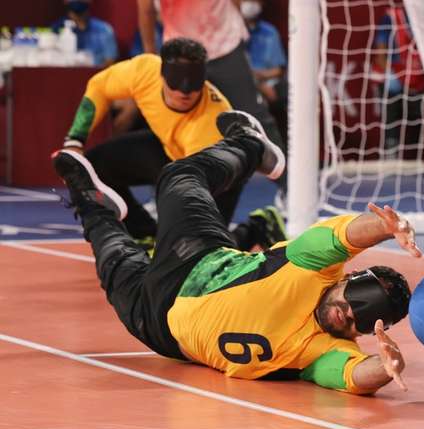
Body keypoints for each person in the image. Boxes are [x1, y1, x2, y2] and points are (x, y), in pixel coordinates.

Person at [52, 110, 420, 394]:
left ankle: (90, 201)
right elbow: (345, 236)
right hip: (196, 259)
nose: (346, 313)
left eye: (362, 319)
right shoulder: (313, 267)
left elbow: (354, 376)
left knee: (112, 253)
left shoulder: (323, 350)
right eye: (355, 297)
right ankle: (249, 144)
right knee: (178, 177)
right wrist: (387, 226)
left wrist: (388, 368)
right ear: (348, 278)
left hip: (160, 329)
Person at [62, 37, 285, 252]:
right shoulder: (144, 71)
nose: (184, 91)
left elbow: (191, 188)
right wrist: (74, 141)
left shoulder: (211, 120)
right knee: (90, 168)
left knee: (194, 255)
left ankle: (257, 227)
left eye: (193, 83)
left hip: (217, 177)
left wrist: (173, 239)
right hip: (169, 149)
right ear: (162, 74)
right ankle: (144, 233)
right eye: (176, 81)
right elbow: (99, 86)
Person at [137, 0, 288, 206]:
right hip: (182, 53)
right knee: (169, 127)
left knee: (256, 119)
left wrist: (237, 26)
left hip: (225, 46)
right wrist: (151, 57)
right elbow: (146, 9)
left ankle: (290, 190)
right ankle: (164, 199)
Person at [373, 5, 424, 157]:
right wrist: (403, 77)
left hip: (422, 77)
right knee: (390, 84)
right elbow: (380, 56)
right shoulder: (391, 17)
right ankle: (391, 146)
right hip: (397, 74)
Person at [242, 0, 288, 142]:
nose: (249, 3)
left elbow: (279, 69)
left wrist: (259, 77)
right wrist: (257, 83)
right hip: (243, 84)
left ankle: (277, 145)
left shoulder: (269, 32)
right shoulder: (230, 32)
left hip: (266, 85)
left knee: (281, 92)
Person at [52, 0, 118, 66]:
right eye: (74, 10)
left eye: (80, 11)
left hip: (95, 70)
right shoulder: (57, 29)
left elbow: (110, 60)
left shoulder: (103, 30)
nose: (77, 15)